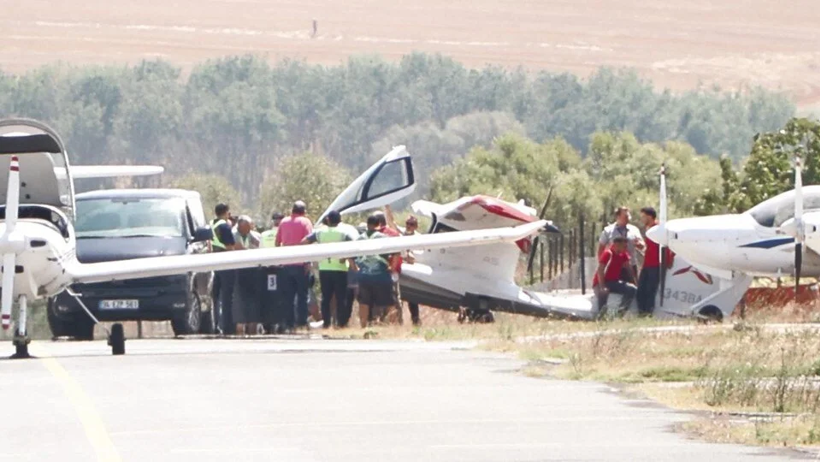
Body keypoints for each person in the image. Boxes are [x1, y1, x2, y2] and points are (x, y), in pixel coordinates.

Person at [301, 210, 355, 328]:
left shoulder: (320, 232)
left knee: (326, 297)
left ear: (328, 220)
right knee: (341, 297)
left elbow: (304, 241)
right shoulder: (344, 233)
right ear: (340, 221)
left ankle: (326, 323)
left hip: (324, 268)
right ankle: (341, 323)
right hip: (340, 269)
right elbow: (354, 245)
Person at [275, 201, 313, 330]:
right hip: (301, 264)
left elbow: (277, 242)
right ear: (304, 211)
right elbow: (309, 241)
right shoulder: (305, 222)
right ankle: (301, 322)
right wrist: (308, 262)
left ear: (292, 210)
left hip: (286, 264)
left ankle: (288, 323)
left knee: (288, 296)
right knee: (302, 295)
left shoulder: (283, 222)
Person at [355, 214, 394, 327]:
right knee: (389, 302)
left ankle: (363, 326)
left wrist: (355, 268)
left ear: (367, 225)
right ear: (379, 225)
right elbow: (396, 252)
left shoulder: (359, 239)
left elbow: (349, 255)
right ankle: (393, 326)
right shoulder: (384, 238)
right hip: (382, 276)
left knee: (364, 302)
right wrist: (391, 267)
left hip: (364, 276)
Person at [385, 206, 422, 326]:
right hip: (400, 267)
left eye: (411, 224)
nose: (408, 226)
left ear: (416, 226)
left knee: (412, 299)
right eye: (407, 223)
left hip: (411, 270)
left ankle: (415, 321)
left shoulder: (419, 238)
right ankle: (398, 321)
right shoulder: (401, 233)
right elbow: (392, 223)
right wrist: (387, 209)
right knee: (397, 297)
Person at [636, 207, 674, 316]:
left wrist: (669, 260)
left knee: (650, 290)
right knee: (641, 290)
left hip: (656, 265)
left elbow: (668, 245)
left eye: (643, 217)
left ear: (649, 216)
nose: (642, 219)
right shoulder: (649, 230)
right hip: (647, 264)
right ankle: (641, 313)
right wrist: (641, 247)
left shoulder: (659, 228)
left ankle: (647, 313)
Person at [232, 216, 262, 335]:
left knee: (253, 300)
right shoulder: (233, 235)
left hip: (253, 271)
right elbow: (237, 248)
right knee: (240, 300)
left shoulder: (255, 236)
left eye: (250, 227)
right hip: (238, 272)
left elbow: (260, 248)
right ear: (240, 226)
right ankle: (239, 327)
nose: (249, 230)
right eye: (247, 227)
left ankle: (252, 327)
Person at [593, 236, 637, 316]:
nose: (625, 248)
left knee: (632, 289)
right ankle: (601, 315)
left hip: (614, 282)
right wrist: (602, 286)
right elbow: (600, 270)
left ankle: (621, 312)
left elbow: (629, 269)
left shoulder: (623, 255)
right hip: (602, 282)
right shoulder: (608, 254)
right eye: (624, 246)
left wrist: (635, 283)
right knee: (603, 292)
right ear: (617, 245)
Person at [598, 206, 644, 283]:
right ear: (618, 216)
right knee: (615, 291)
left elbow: (642, 246)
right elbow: (601, 249)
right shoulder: (608, 231)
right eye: (625, 216)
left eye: (629, 216)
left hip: (630, 266)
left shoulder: (634, 230)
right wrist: (602, 264)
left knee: (633, 289)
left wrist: (639, 244)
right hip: (613, 267)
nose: (628, 218)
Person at [210, 203, 236, 335]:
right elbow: (230, 246)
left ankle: (216, 325)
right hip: (226, 263)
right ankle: (228, 327)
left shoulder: (212, 224)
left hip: (215, 263)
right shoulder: (224, 226)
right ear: (226, 212)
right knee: (227, 297)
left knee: (216, 296)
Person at [260, 212, 284, 333]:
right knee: (280, 296)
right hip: (280, 269)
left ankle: (267, 323)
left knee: (267, 296)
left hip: (266, 269)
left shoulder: (264, 234)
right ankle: (279, 322)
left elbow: (260, 250)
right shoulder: (283, 233)